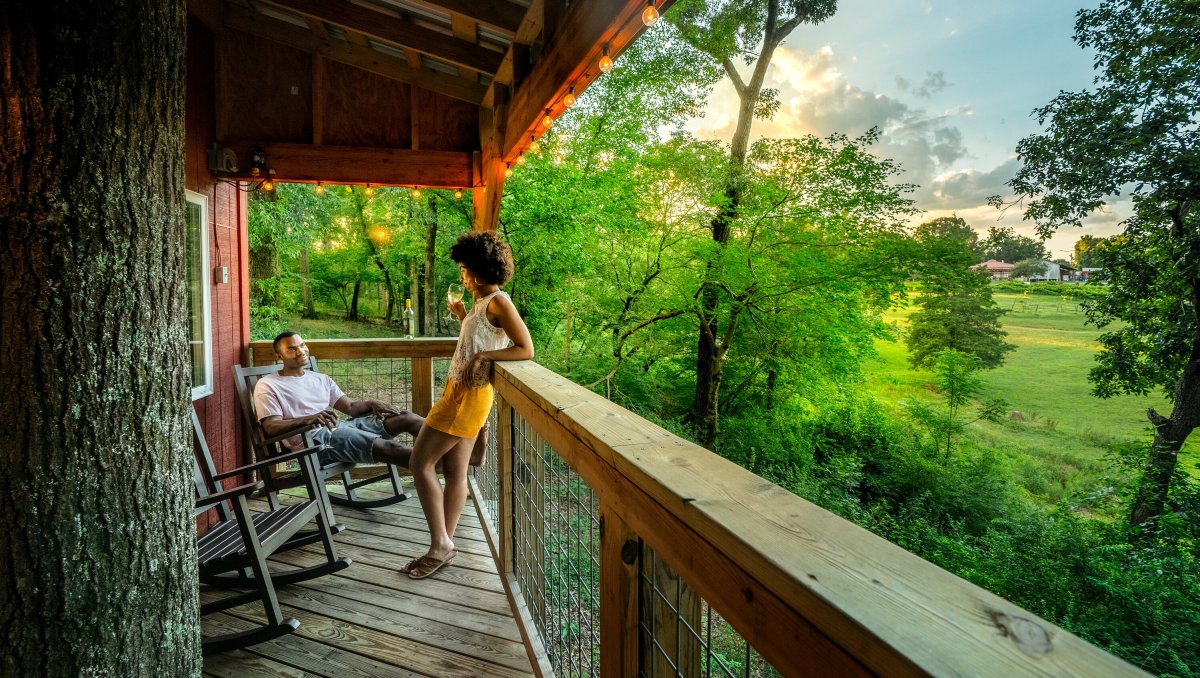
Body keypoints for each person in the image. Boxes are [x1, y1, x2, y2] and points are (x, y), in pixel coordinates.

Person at [401, 231, 533, 580]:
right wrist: (462, 316)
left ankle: (440, 545)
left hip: (468, 396)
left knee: (420, 463)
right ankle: (444, 544)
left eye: (463, 268)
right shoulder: (481, 303)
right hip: (461, 392)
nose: (461, 275)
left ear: (477, 270)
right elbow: (481, 337)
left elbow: (526, 348)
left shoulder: (500, 301)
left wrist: (486, 356)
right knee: (456, 472)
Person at [254, 331, 423, 466]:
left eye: (302, 345)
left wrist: (372, 403)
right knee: (391, 448)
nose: (300, 351)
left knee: (405, 417)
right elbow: (270, 426)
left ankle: (447, 450)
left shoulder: (320, 378)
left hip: (340, 426)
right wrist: (307, 420)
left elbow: (350, 407)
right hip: (315, 442)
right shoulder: (268, 384)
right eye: (291, 349)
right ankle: (442, 465)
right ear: (279, 356)